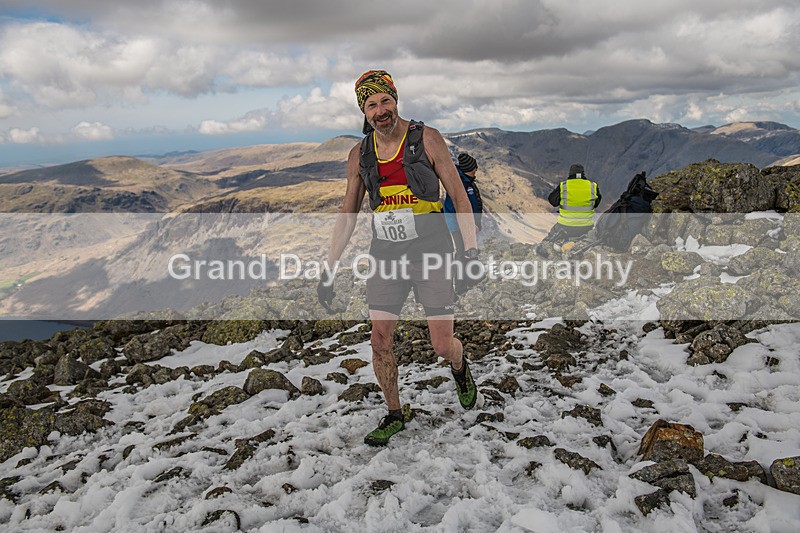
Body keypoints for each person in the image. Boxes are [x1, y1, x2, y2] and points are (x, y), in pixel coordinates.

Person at [317, 69, 482, 446]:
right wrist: (328, 269)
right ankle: (394, 413)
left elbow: (458, 196)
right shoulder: (359, 155)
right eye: (371, 104)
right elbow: (348, 213)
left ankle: (459, 364)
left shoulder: (427, 139)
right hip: (386, 254)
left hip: (431, 249)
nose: (380, 110)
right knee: (379, 340)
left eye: (385, 101)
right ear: (364, 111)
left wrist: (469, 252)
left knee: (441, 345)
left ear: (396, 100)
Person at [546, 163, 601, 242]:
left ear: (570, 173)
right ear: (582, 174)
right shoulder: (592, 186)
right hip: (586, 227)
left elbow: (553, 201)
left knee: (549, 241)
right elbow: (596, 204)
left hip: (565, 226)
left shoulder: (564, 186)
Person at [443, 152, 484, 258]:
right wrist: (468, 225)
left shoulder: (465, 181)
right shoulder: (461, 184)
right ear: (471, 169)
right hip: (459, 225)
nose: (476, 170)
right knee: (464, 251)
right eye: (475, 167)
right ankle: (463, 272)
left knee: (466, 251)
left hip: (465, 224)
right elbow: (457, 206)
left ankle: (465, 270)